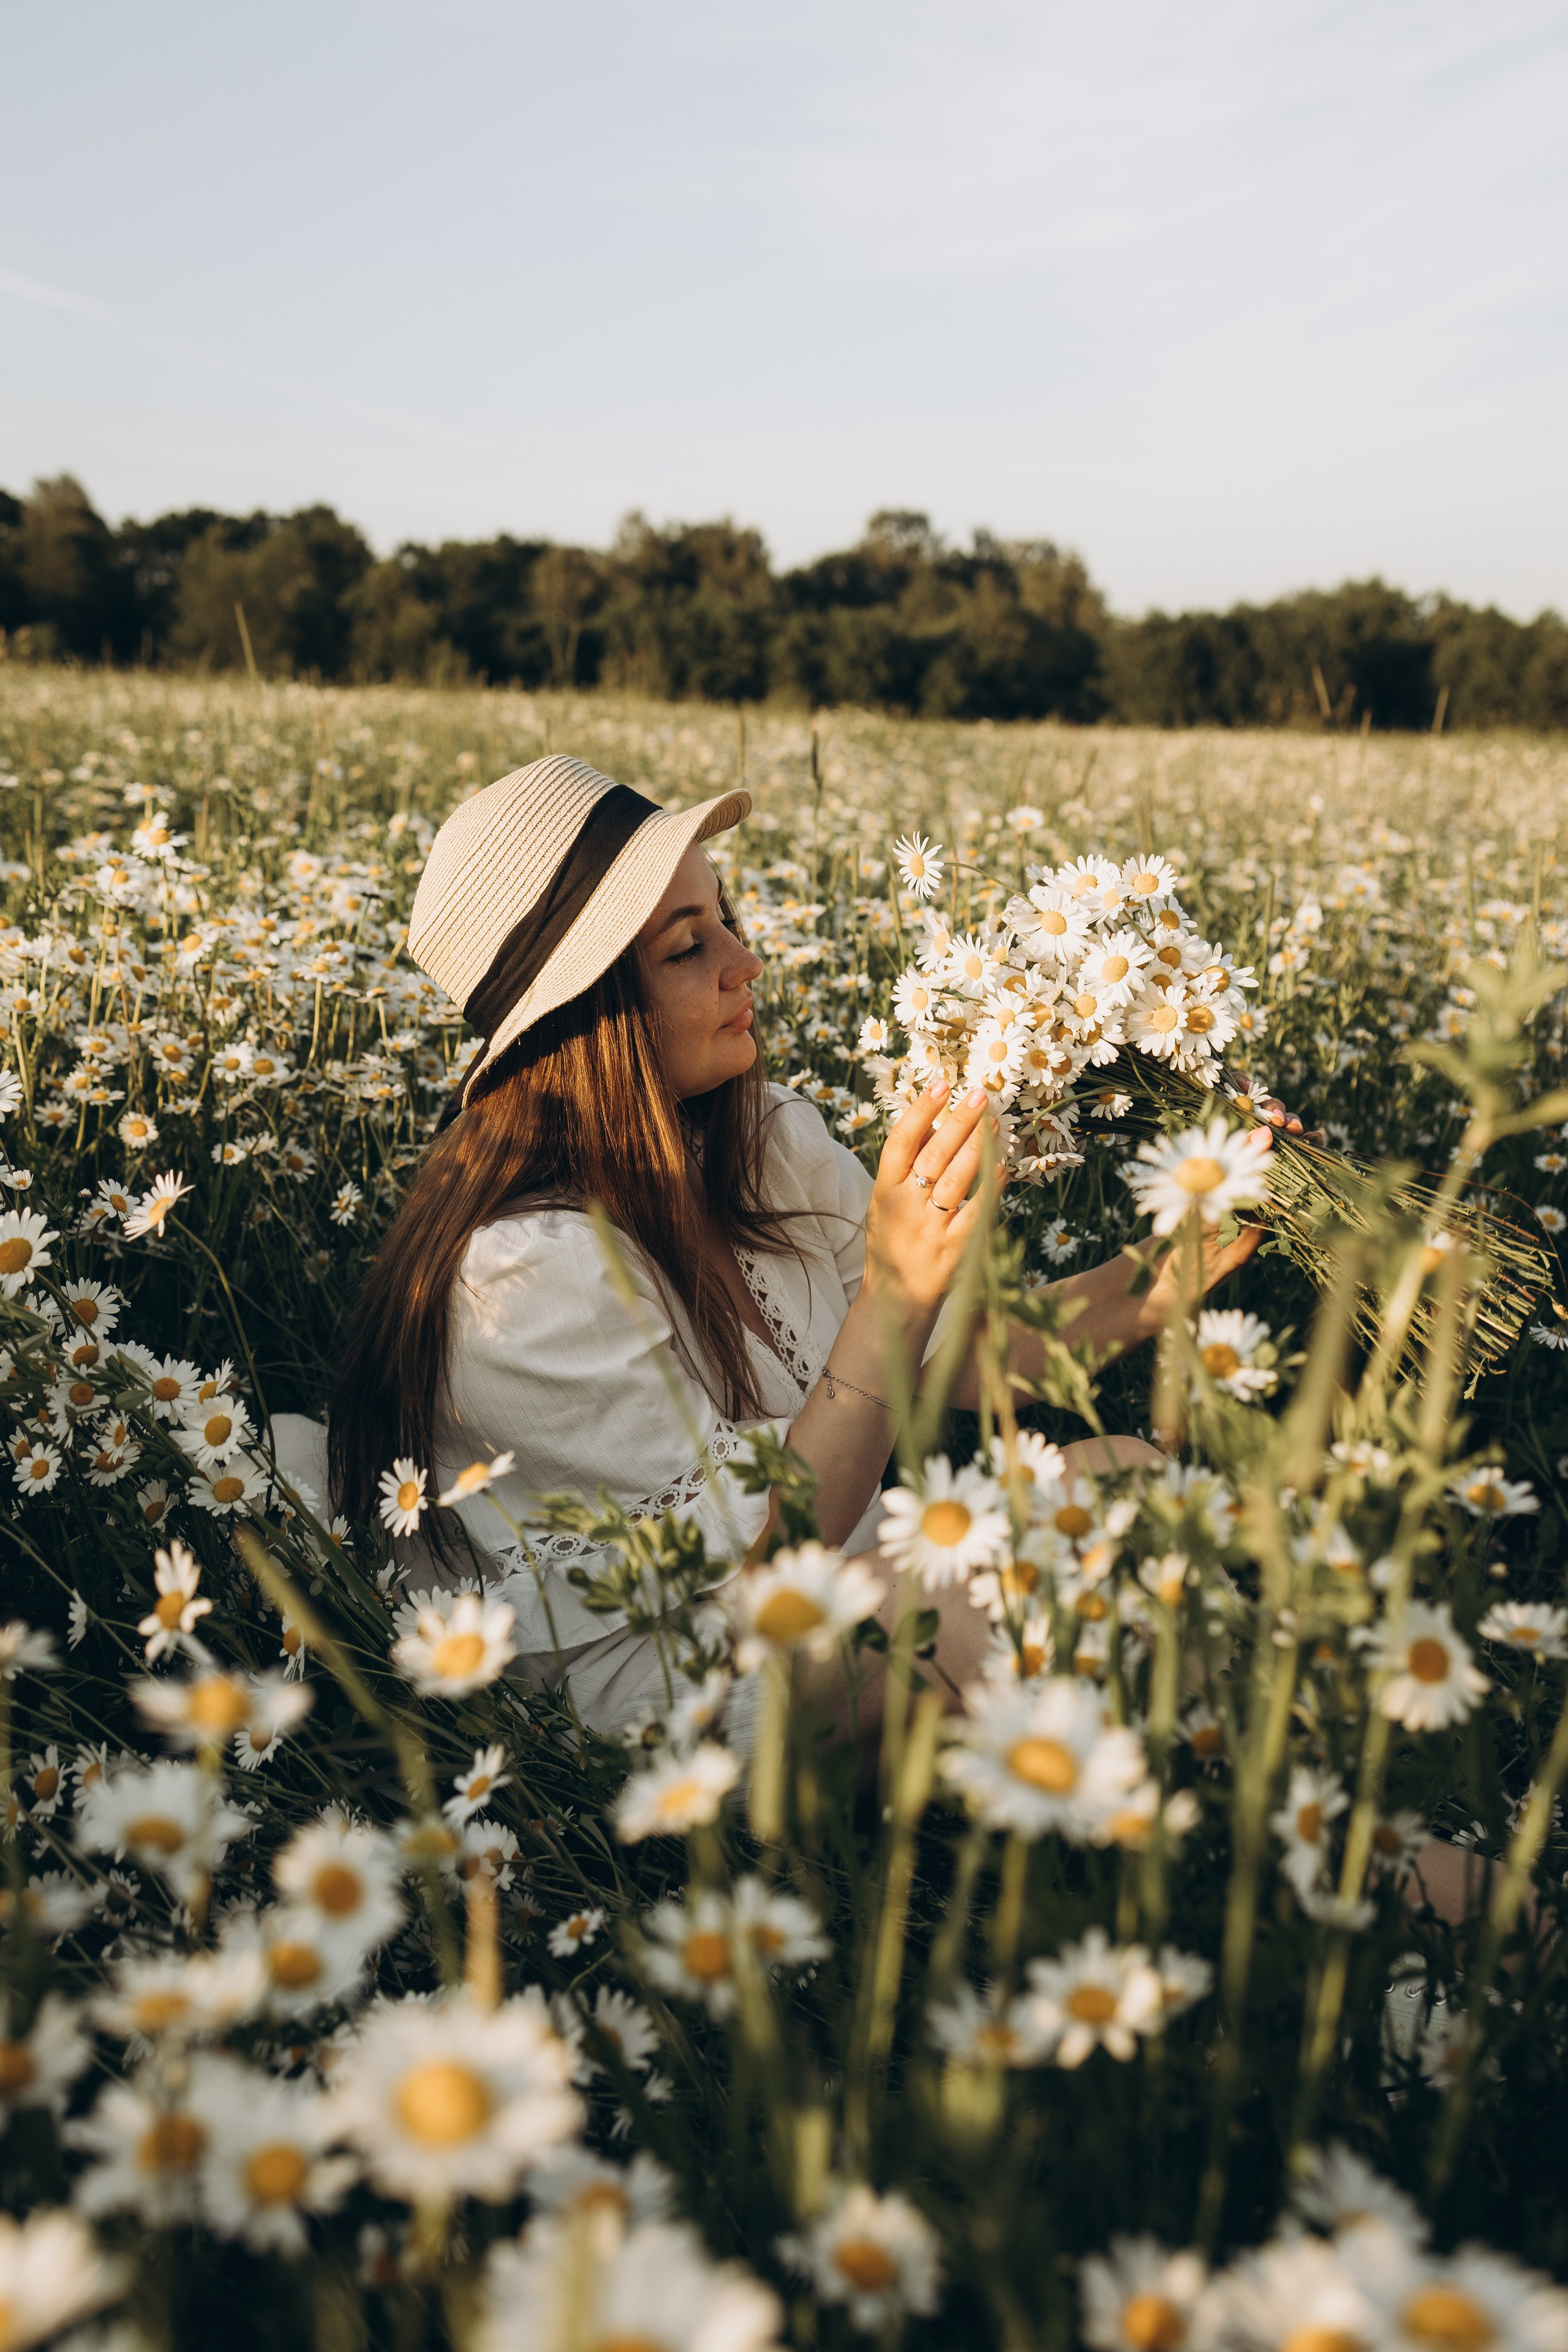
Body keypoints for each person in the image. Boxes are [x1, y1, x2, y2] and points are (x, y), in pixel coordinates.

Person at [311, 754, 1279, 1739]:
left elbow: (960, 1361)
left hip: (844, 1591)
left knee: (1120, 1483)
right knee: (975, 1610)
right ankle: (1297, 1826)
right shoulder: (520, 1282)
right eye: (688, 949)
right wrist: (894, 1300)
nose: (747, 962)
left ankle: (1248, 1783)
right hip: (678, 1676)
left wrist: (1172, 1266)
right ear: (588, 1018)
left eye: (724, 918)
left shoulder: (764, 1143)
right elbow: (769, 1558)